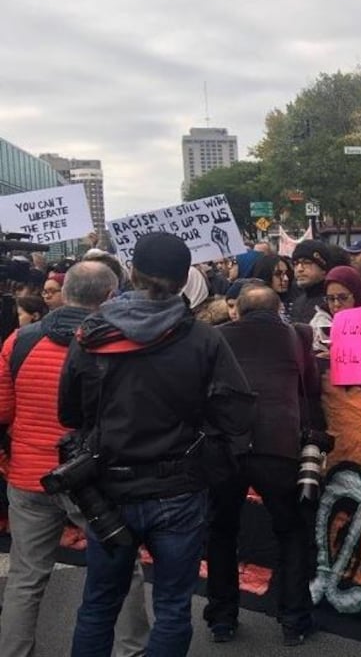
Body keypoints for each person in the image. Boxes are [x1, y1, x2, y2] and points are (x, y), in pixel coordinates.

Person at [59, 232, 254, 656]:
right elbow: (237, 414)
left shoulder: (91, 336)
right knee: (172, 606)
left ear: (130, 272)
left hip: (107, 490)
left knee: (98, 605)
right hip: (178, 489)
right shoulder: (204, 339)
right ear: (185, 279)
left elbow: (69, 415)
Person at [0, 262, 151, 657]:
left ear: (65, 293)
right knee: (123, 565)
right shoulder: (119, 344)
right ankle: (131, 649)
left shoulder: (19, 341)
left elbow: (2, 409)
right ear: (109, 297)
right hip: (93, 480)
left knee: (26, 576)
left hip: (30, 475)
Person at [206, 285, 325, 646]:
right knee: (290, 531)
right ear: (279, 312)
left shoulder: (215, 337)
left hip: (227, 444)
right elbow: (311, 386)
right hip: (279, 446)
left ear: (237, 311)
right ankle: (294, 620)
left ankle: (222, 618)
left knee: (222, 531)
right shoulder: (298, 335)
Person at [290, 240, 345, 325]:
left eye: (307, 263)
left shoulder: (335, 300)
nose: (299, 269)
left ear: (323, 268)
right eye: (296, 263)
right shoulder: (297, 303)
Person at [252, 254, 296, 321]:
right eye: (278, 274)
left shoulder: (297, 302)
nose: (286, 278)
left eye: (287, 273)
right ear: (266, 274)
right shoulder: (253, 306)